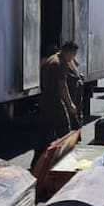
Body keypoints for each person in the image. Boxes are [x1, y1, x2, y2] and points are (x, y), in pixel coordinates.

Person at [30, 41, 79, 171]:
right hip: (55, 102)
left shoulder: (51, 59)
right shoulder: (60, 63)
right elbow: (62, 86)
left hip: (44, 100)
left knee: (44, 134)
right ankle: (66, 162)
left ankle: (36, 164)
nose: (73, 58)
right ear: (69, 52)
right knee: (65, 132)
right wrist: (70, 104)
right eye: (73, 55)